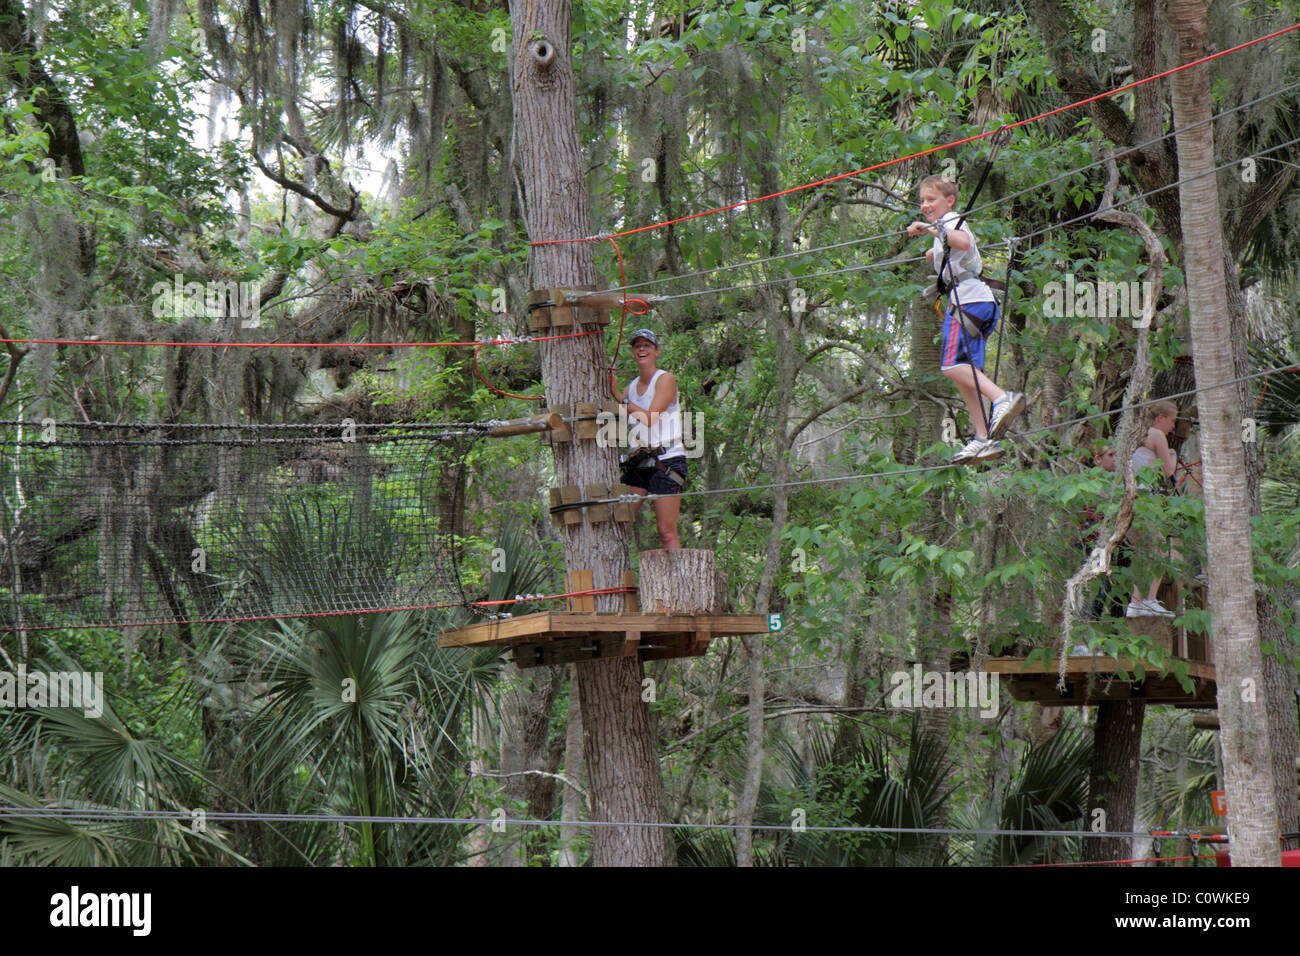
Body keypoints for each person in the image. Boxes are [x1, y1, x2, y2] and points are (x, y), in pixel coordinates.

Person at [907, 175, 1026, 464]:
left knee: (951, 367)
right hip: (977, 303)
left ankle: (1002, 399)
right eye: (922, 201)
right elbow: (956, 249)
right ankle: (983, 437)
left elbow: (960, 240)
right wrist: (932, 252)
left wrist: (932, 230)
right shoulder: (945, 226)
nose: (925, 205)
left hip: (968, 303)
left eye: (930, 199)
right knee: (967, 376)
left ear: (949, 200)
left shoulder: (950, 220)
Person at [606, 328, 685, 550]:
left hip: (667, 460)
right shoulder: (632, 387)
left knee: (666, 531)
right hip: (640, 460)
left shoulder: (665, 379)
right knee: (620, 521)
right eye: (637, 346)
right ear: (633, 353)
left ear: (656, 351)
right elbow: (632, 422)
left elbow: (649, 418)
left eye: (647, 345)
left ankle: (679, 581)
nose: (642, 349)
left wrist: (619, 397)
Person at [1126, 400, 1179, 618]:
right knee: (1160, 550)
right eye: (1172, 421)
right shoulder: (1157, 434)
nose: (1173, 426)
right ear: (1161, 418)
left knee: (1143, 552)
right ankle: (1148, 601)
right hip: (1145, 499)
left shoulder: (1136, 434)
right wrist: (1173, 455)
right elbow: (1168, 471)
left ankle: (1136, 603)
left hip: (1131, 498)